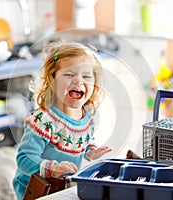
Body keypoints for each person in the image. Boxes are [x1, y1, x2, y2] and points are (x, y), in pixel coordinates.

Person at [12, 41, 112, 200]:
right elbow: (24, 158)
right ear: (52, 79)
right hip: (34, 191)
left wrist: (91, 150)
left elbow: (85, 137)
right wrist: (52, 169)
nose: (78, 81)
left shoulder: (87, 116)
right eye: (69, 74)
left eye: (86, 76)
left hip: (60, 188)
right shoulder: (43, 120)